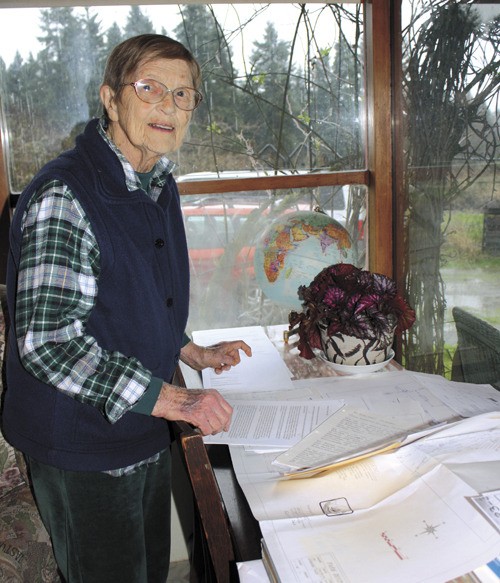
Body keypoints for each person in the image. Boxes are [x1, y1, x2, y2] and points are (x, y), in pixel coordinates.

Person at [3, 34, 251, 583]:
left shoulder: (156, 183)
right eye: (149, 88)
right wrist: (175, 399)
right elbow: (49, 343)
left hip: (139, 424)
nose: (167, 104)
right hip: (80, 440)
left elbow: (132, 296)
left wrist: (188, 349)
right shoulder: (65, 197)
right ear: (111, 101)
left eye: (182, 94)